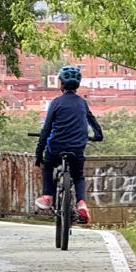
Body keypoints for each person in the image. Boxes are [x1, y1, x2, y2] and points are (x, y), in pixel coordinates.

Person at [36, 65, 104, 224]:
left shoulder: (56, 103)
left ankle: (47, 197)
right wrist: (98, 136)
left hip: (56, 147)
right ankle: (81, 202)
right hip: (77, 148)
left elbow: (46, 130)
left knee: (48, 166)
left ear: (61, 84)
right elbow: (93, 122)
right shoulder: (82, 103)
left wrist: (39, 154)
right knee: (78, 176)